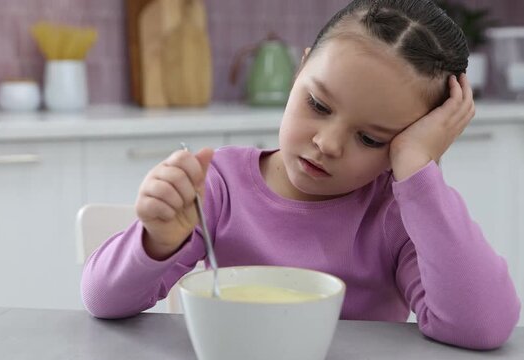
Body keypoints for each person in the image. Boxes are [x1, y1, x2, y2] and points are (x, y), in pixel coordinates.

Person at [81, 0, 520, 350]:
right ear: (300, 69)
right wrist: (157, 241)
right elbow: (102, 300)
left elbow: (482, 327)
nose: (328, 143)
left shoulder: (395, 213)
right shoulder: (219, 185)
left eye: (371, 139)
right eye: (319, 105)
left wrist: (418, 170)